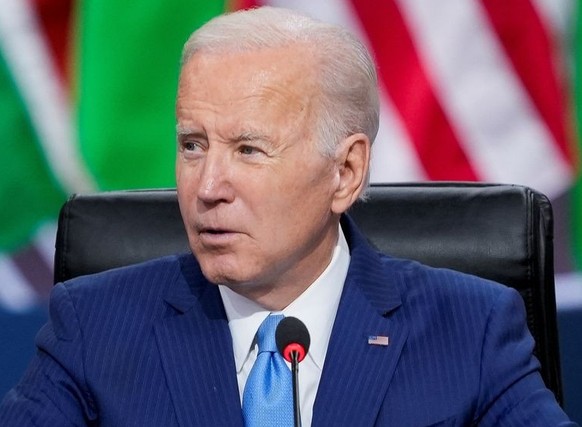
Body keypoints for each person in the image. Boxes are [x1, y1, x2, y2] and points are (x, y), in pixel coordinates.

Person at [0, 6, 576, 427]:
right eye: (193, 145)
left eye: (249, 149)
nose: (208, 186)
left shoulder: (469, 329)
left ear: (346, 173)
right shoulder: (95, 327)